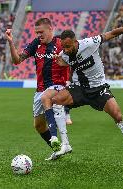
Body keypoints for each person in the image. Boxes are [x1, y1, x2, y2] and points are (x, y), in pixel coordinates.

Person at [49, 16, 123, 167]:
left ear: (75, 41)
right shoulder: (64, 54)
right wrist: (58, 60)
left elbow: (113, 33)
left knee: (118, 116)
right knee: (56, 101)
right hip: (80, 88)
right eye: (63, 47)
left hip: (99, 89)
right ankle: (65, 144)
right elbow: (62, 62)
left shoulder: (90, 43)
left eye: (67, 46)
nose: (65, 50)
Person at [5, 18, 72, 160]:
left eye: (41, 32)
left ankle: (61, 138)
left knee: (48, 99)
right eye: (36, 32)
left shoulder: (61, 43)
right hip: (40, 89)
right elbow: (17, 61)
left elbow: (74, 59)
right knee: (39, 126)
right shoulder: (36, 44)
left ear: (50, 29)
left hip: (57, 86)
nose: (39, 35)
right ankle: (58, 148)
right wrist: (11, 43)